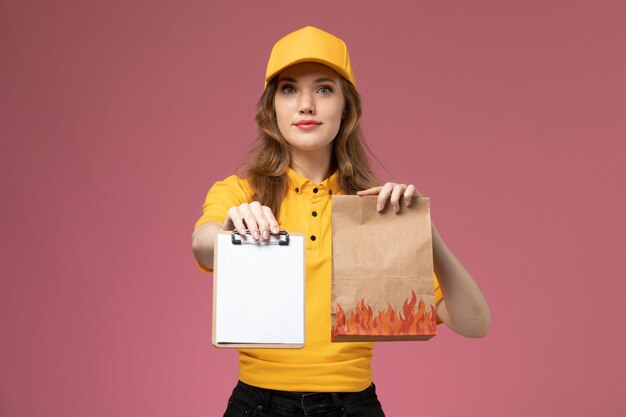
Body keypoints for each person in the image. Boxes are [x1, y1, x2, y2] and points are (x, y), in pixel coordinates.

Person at [192, 26, 491, 417]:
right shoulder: (239, 192)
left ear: (346, 106)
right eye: (288, 89)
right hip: (257, 404)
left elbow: (474, 323)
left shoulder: (377, 212)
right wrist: (232, 229)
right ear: (271, 108)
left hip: (353, 405)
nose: (306, 105)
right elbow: (204, 243)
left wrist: (423, 230)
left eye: (324, 89)